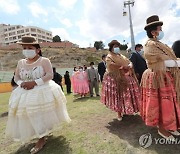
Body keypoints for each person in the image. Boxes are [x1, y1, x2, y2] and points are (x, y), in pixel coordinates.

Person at [5, 36, 71, 154]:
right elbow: (16, 77)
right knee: (27, 114)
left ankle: (41, 138)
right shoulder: (20, 63)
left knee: (40, 114)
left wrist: (34, 83)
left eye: (29, 47)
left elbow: (49, 75)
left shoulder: (44, 61)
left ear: (37, 49)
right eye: (24, 48)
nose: (26, 50)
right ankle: (39, 133)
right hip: (24, 92)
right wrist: (22, 84)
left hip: (42, 90)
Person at [141, 15, 180, 140]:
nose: (162, 31)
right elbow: (160, 61)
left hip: (166, 77)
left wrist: (175, 62)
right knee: (162, 105)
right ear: (153, 32)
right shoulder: (150, 45)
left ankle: (169, 126)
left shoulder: (159, 44)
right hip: (158, 78)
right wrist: (177, 63)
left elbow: (170, 59)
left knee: (169, 104)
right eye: (160, 29)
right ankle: (162, 129)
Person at [101, 40, 140, 121]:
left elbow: (130, 62)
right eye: (115, 47)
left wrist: (130, 65)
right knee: (118, 95)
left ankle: (126, 109)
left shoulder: (122, 56)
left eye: (118, 46)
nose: (117, 48)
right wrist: (122, 67)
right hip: (116, 79)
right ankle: (119, 113)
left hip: (127, 77)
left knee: (126, 95)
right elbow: (110, 65)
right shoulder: (109, 57)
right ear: (111, 48)